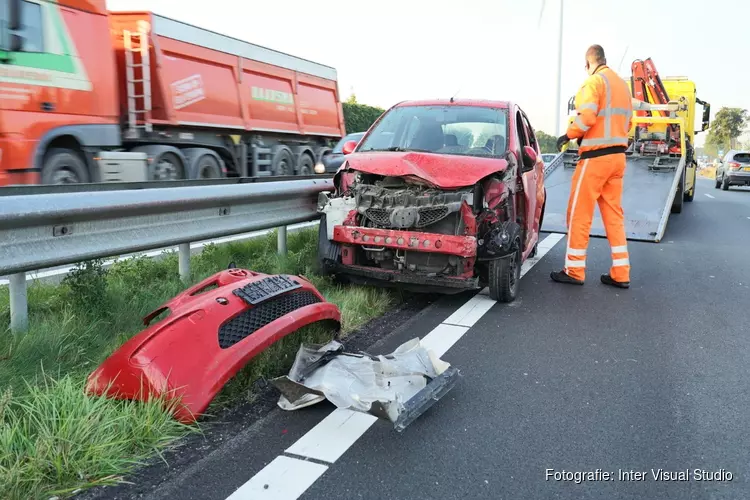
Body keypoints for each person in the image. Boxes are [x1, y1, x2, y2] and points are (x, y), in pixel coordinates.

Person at [550, 44, 633, 289]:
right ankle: (621, 273)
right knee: (614, 216)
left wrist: (568, 134)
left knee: (579, 213)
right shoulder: (622, 86)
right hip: (618, 158)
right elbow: (628, 124)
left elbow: (586, 118)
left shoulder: (593, 83)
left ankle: (574, 270)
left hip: (595, 158)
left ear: (588, 64)